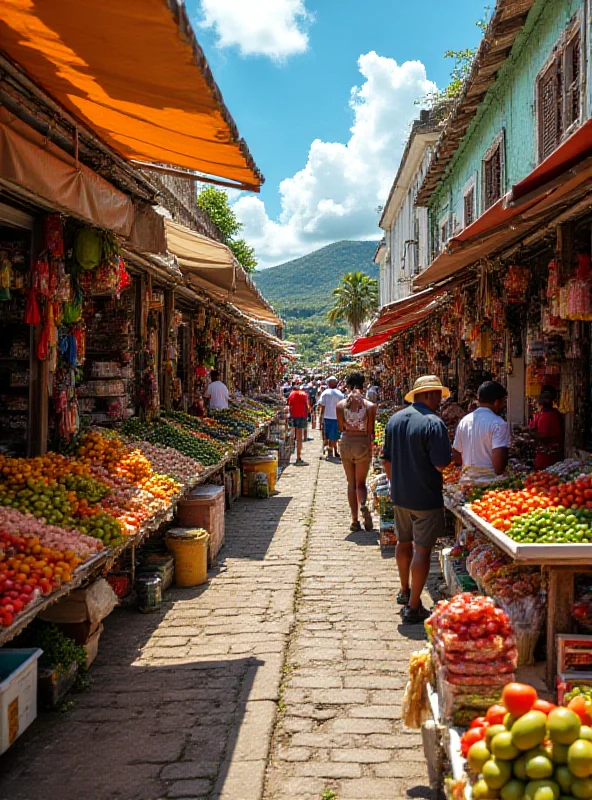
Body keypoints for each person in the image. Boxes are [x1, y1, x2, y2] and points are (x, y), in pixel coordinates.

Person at [382, 375, 452, 624]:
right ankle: (413, 607)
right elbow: (442, 463)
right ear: (430, 395)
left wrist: (396, 485)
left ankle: (404, 590)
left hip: (400, 495)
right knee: (422, 550)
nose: (440, 401)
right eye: (439, 396)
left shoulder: (395, 419)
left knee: (403, 542)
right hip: (425, 497)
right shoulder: (434, 423)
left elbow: (386, 460)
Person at [336, 372, 377, 532]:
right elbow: (370, 429)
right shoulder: (370, 406)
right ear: (363, 386)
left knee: (351, 483)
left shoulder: (341, 405)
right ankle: (364, 504)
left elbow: (341, 427)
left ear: (347, 385)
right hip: (362, 443)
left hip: (346, 442)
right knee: (361, 483)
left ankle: (354, 520)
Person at [452, 381, 510, 483]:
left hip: (466, 484)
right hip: (489, 486)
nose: (504, 406)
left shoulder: (464, 421)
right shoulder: (498, 423)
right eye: (503, 402)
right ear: (497, 402)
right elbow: (499, 466)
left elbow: (456, 456)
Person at [528, 385, 564, 470]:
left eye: (547, 397)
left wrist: (530, 432)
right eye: (544, 397)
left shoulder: (551, 415)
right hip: (544, 455)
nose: (545, 400)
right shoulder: (545, 413)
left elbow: (544, 437)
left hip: (548, 457)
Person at [318, 377, 344, 459]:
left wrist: (320, 418)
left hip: (327, 417)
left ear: (328, 384)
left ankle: (330, 451)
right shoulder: (340, 394)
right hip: (336, 418)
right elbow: (342, 407)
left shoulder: (325, 393)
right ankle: (334, 451)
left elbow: (322, 406)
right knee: (335, 436)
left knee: (327, 436)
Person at [287, 379, 309, 465]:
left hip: (293, 416)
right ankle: (298, 457)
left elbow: (289, 405)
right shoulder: (304, 394)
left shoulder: (291, 394)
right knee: (299, 438)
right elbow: (306, 406)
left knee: (292, 436)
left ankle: (290, 453)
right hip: (301, 416)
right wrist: (307, 416)